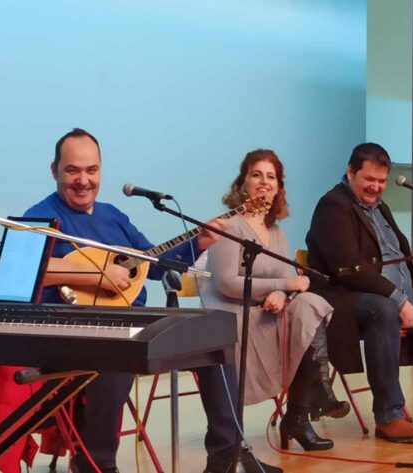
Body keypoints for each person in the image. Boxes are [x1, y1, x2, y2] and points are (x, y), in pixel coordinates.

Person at [23, 128, 280, 473]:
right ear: (55, 170)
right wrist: (95, 275)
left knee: (216, 340)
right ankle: (96, 465)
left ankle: (227, 455)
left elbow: (154, 265)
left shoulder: (113, 216)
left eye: (92, 170)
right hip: (79, 331)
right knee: (115, 357)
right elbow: (25, 272)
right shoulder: (39, 217)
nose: (84, 180)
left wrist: (199, 242)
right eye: (73, 171)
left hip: (134, 324)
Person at [304, 143, 413, 443]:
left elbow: (397, 256)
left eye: (382, 181)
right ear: (350, 172)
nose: (376, 187)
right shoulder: (333, 206)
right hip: (347, 301)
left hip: (395, 297)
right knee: (382, 310)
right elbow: (350, 269)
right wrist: (399, 300)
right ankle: (389, 415)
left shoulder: (380, 208)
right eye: (369, 179)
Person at [200, 149, 348, 452]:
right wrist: (283, 285)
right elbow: (228, 284)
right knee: (303, 318)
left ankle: (300, 413)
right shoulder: (230, 225)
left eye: (271, 177)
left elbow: (286, 279)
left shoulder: (276, 231)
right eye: (256, 174)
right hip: (232, 316)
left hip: (265, 312)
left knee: (310, 305)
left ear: (279, 187)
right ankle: (309, 404)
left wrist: (281, 293)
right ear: (243, 183)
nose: (264, 182)